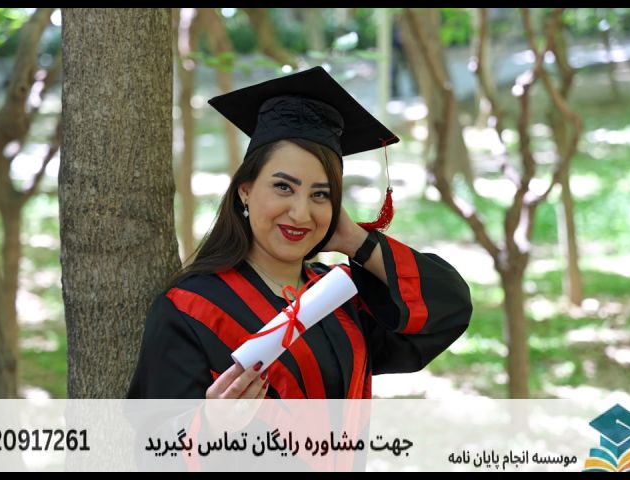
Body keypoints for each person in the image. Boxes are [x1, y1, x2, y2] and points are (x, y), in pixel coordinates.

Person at [127, 66, 472, 400]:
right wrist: (211, 424)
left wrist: (356, 242)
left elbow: (449, 309)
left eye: (320, 194)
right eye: (283, 187)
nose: (301, 213)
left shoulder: (339, 297)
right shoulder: (190, 309)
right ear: (245, 191)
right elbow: (156, 435)